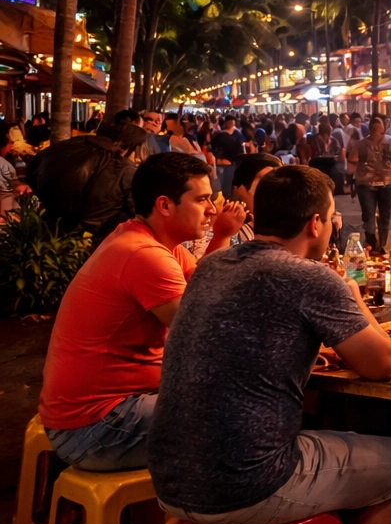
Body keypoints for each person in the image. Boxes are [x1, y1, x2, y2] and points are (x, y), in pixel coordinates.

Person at [149, 166, 391, 524]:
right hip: (243, 486)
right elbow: (382, 365)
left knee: (318, 433)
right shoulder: (308, 276)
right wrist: (353, 297)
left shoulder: (216, 264)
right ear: (317, 224)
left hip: (169, 478)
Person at [37, 153, 245, 471]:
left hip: (107, 412)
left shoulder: (159, 243)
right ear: (164, 205)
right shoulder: (144, 255)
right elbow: (205, 335)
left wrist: (220, 236)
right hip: (97, 427)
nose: (212, 209)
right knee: (248, 413)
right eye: (202, 199)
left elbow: (206, 290)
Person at [26, 122, 143, 237]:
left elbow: (33, 170)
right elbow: (138, 212)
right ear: (128, 146)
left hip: (51, 227)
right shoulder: (124, 169)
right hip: (92, 235)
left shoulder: (73, 145)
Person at [349, 117, 391, 252]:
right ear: (383, 127)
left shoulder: (360, 144)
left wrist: (364, 164)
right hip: (386, 183)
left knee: (368, 216)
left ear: (370, 128)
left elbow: (352, 159)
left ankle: (371, 244)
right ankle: (383, 245)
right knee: (385, 216)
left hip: (366, 184)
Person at [305, 115, 345, 193]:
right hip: (328, 163)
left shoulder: (313, 139)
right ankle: (336, 188)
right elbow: (338, 152)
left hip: (318, 163)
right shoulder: (333, 140)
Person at [209, 116, 246, 197]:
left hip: (218, 163)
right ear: (233, 123)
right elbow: (240, 152)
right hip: (230, 165)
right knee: (227, 187)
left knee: (218, 186)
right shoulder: (237, 136)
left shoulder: (218, 135)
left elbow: (212, 148)